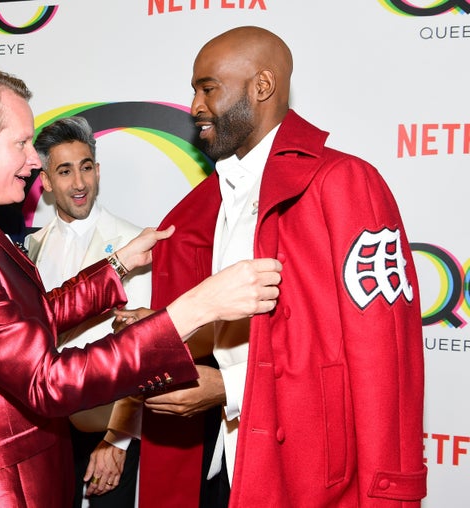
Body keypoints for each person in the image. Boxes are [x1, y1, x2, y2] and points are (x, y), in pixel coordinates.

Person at [0, 65, 283, 508]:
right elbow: (47, 379)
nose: (35, 161)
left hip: (24, 474)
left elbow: (29, 321)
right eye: (21, 143)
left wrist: (117, 265)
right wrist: (193, 311)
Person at [120, 26, 426, 507]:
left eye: (207, 88)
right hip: (225, 462)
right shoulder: (213, 201)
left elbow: (379, 355)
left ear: (261, 87)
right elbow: (247, 325)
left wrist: (229, 388)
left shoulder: (344, 181)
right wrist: (168, 329)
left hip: (307, 475)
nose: (195, 106)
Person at [26, 116, 149, 507]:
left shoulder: (134, 243)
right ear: (45, 181)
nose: (79, 184)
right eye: (65, 171)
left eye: (86, 168)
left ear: (97, 170)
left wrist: (118, 439)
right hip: (46, 433)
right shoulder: (30, 249)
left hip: (106, 429)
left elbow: (142, 348)